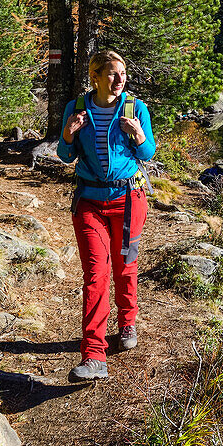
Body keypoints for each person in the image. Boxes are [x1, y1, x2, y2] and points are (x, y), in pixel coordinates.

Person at [57, 49, 155, 382]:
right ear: (95, 76)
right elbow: (64, 153)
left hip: (128, 198)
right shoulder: (77, 108)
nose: (118, 80)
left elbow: (148, 151)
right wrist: (69, 133)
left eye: (122, 74)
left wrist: (138, 134)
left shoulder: (135, 108)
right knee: (96, 275)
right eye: (111, 74)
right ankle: (94, 355)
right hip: (89, 202)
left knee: (125, 264)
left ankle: (127, 321)